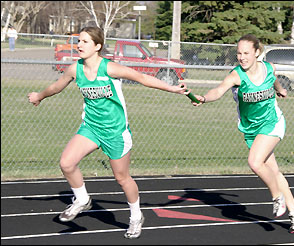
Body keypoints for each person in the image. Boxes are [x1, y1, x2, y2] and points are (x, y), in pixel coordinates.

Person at [28, 26, 188, 239]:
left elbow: (142, 78)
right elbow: (57, 87)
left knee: (122, 178)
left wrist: (174, 88)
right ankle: (82, 199)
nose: (79, 45)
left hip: (115, 132)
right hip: (91, 128)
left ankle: (135, 216)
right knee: (67, 163)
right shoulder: (75, 69)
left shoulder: (110, 68)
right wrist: (39, 95)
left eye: (85, 42)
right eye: (79, 41)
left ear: (97, 46)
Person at [188, 34, 294, 234]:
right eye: (239, 53)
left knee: (255, 162)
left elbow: (274, 81)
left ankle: (278, 197)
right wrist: (204, 98)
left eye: (246, 53)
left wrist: (280, 90)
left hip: (272, 123)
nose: (242, 57)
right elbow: (218, 90)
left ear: (257, 53)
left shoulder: (269, 68)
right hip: (251, 129)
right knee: (273, 171)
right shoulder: (236, 75)